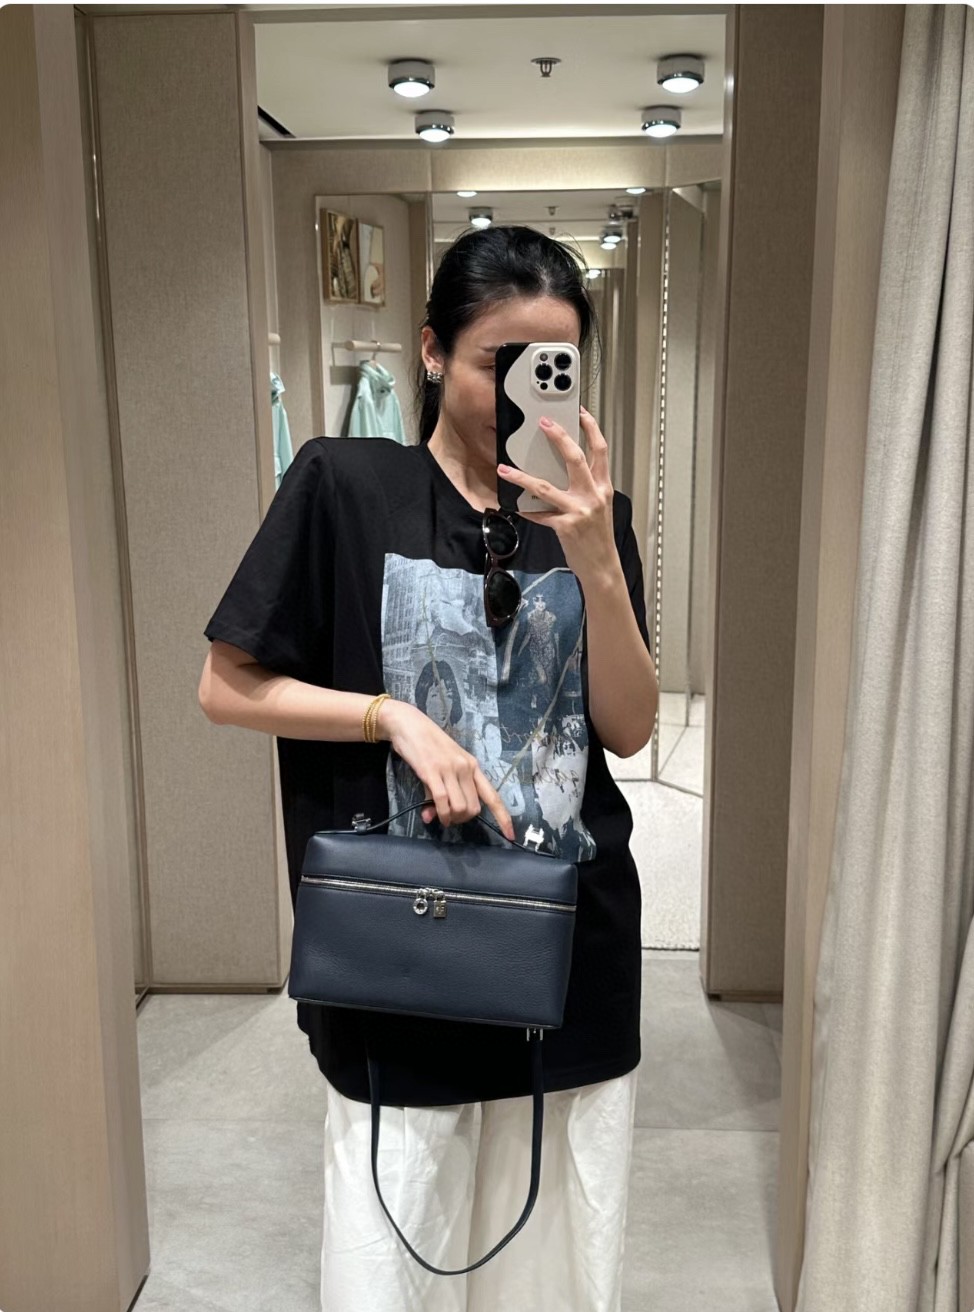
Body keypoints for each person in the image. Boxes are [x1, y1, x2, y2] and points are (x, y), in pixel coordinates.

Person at [198, 225, 659, 1312]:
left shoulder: (591, 519)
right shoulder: (342, 486)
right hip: (401, 950)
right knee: (392, 1254)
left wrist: (596, 561)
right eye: (499, 360)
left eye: (552, 363)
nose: (520, 390)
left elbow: (629, 728)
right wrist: (391, 717)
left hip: (570, 949)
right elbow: (225, 685)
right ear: (432, 351)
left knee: (554, 1269)